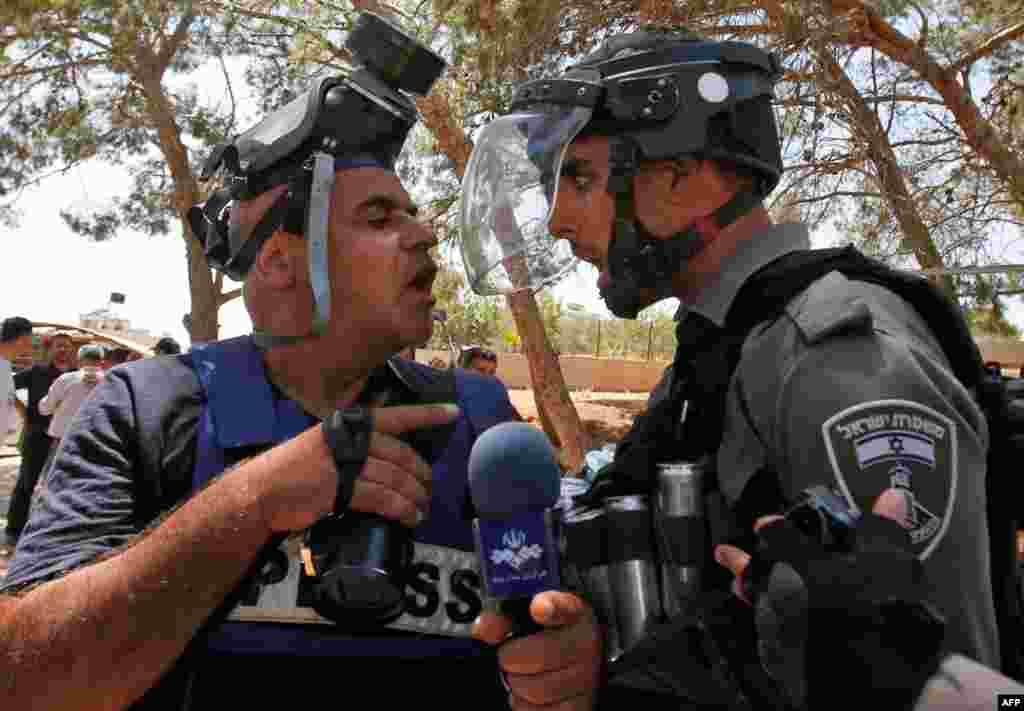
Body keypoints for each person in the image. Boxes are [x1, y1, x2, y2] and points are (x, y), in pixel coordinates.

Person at [0, 14, 600, 710]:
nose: (424, 235)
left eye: (413, 215)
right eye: (380, 218)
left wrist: (569, 666)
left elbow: (551, 634)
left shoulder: (480, 421)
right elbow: (21, 678)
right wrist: (254, 504)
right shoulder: (146, 408)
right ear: (281, 266)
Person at [459, 24, 998, 702]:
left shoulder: (831, 357)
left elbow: (948, 679)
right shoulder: (716, 354)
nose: (559, 219)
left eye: (579, 177)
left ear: (683, 173)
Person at [4, 332, 75, 548]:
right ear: (50, 349)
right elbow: (7, 385)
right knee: (26, 483)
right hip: (37, 435)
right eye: (58, 345)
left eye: (66, 346)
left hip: (67, 439)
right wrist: (23, 410)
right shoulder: (37, 372)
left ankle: (51, 533)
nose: (62, 350)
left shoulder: (78, 374)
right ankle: (13, 531)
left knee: (62, 486)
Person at [38, 342, 106, 445]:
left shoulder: (66, 379)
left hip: (65, 438)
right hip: (97, 439)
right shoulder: (111, 381)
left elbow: (45, 408)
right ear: (102, 362)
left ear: (79, 360)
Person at [0, 317, 33, 441]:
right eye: (31, 338)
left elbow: (9, 395)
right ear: (22, 338)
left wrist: (26, 414)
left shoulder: (5, 364)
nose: (31, 344)